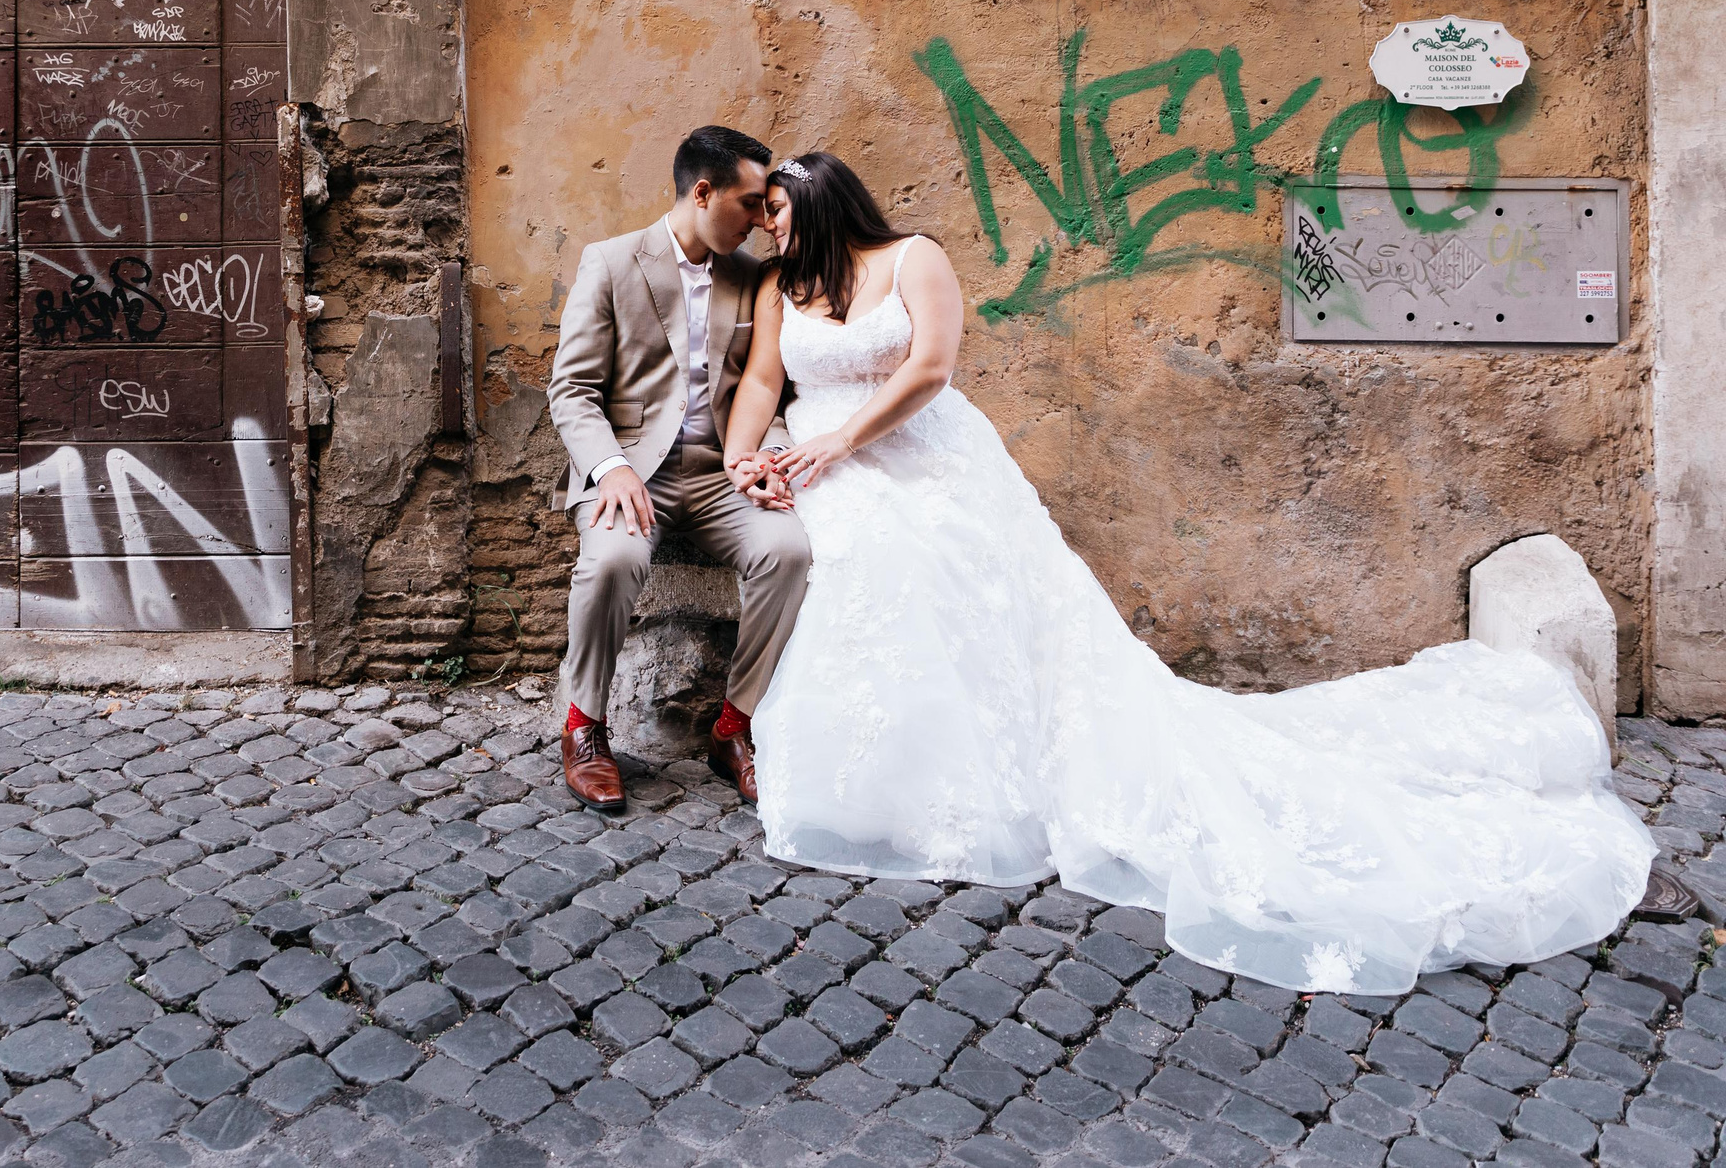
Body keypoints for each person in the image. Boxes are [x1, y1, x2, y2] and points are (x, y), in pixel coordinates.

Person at [717, 149, 1653, 994]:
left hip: (912, 449)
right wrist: (744, 457)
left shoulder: (912, 258)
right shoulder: (776, 289)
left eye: (781, 214)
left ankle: (984, 777)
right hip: (822, 465)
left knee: (945, 565)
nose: (769, 229)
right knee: (860, 562)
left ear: (822, 204)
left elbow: (931, 367)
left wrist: (842, 439)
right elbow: (763, 383)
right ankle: (884, 783)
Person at [545, 126, 813, 814]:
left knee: (787, 550)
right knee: (609, 562)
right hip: (634, 471)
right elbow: (571, 389)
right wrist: (609, 468)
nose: (761, 220)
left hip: (724, 470)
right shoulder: (609, 263)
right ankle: (584, 728)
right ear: (702, 192)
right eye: (750, 204)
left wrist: (766, 458)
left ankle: (735, 727)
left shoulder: (755, 278)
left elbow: (772, 389)